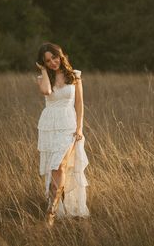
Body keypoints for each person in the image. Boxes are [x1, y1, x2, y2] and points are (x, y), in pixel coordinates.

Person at [36, 42, 89, 227]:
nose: (53, 62)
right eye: (47, 61)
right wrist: (43, 70)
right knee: (55, 170)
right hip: (49, 126)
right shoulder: (43, 78)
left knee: (59, 166)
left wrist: (79, 128)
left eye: (54, 57)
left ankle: (50, 213)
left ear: (61, 55)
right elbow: (47, 91)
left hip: (69, 125)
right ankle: (56, 208)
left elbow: (79, 104)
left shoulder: (75, 76)